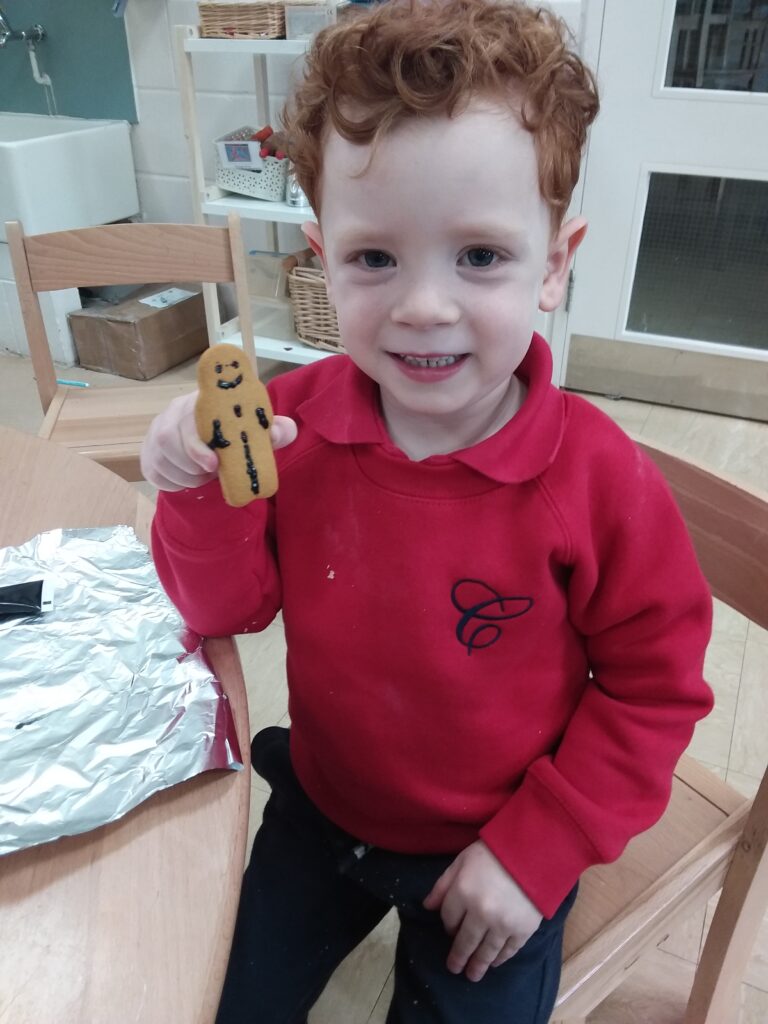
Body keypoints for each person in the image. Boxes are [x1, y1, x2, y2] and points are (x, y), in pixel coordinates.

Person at [140, 1, 714, 1021]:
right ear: (321, 255)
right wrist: (193, 491)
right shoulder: (286, 425)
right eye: (375, 259)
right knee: (206, 995)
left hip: (495, 848)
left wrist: (538, 850)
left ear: (554, 262)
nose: (423, 306)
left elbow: (654, 692)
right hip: (321, 809)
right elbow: (226, 607)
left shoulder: (600, 480)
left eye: (481, 257)